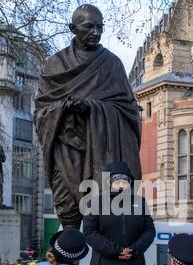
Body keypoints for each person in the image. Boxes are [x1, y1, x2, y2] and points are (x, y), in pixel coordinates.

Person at [34, 4, 141, 230]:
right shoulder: (56, 64)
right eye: (89, 27)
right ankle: (68, 257)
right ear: (73, 28)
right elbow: (41, 109)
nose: (96, 33)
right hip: (66, 148)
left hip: (103, 148)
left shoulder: (112, 64)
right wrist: (64, 108)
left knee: (104, 213)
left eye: (100, 28)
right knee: (67, 210)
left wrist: (92, 107)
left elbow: (128, 109)